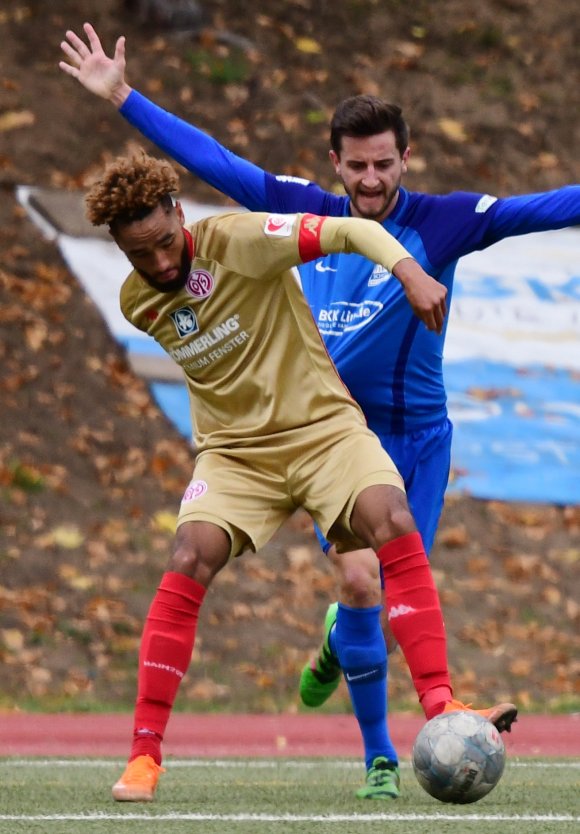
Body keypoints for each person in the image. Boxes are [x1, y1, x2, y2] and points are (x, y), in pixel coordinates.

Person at [59, 23, 527, 801]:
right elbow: (218, 166)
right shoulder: (139, 301)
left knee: (387, 534)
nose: (165, 262)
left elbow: (339, 226)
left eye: (170, 241)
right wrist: (121, 100)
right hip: (236, 455)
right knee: (191, 560)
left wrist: (410, 271)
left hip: (329, 434)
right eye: (144, 254)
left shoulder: (247, 236)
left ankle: (439, 709)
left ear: (184, 216)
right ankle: (144, 755)